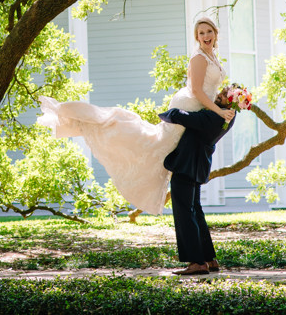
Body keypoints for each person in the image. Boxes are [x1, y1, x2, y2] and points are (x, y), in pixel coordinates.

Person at [37, 17, 235, 215]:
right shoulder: (199, 58)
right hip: (189, 105)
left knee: (158, 144)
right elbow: (198, 91)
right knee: (152, 145)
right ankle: (83, 123)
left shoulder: (212, 56)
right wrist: (218, 111)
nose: (205, 36)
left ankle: (82, 124)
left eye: (209, 31)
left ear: (215, 33)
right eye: (201, 33)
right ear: (197, 37)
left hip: (201, 107)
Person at [159, 92, 235, 275]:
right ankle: (209, 258)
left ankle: (197, 262)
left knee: (184, 213)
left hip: (186, 165)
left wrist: (166, 112)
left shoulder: (215, 115)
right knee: (195, 212)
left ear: (232, 103)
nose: (219, 94)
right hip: (197, 166)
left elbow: (180, 116)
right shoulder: (229, 118)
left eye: (225, 95)